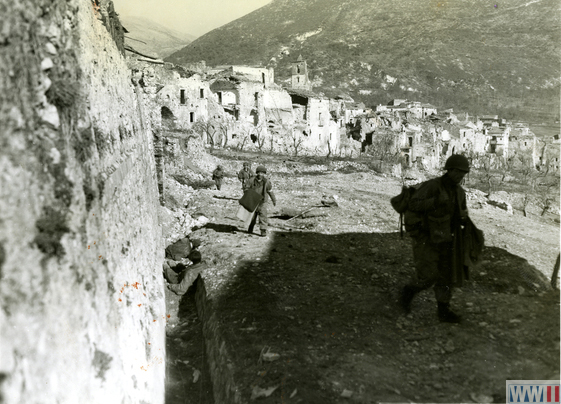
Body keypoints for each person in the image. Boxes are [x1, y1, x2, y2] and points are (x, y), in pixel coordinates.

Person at [399, 154, 472, 323]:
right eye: (458, 173)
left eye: (463, 174)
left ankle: (443, 311)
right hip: (427, 238)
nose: (461, 177)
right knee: (428, 276)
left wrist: (463, 218)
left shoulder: (460, 193)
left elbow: (461, 212)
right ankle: (408, 292)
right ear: (450, 170)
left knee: (446, 277)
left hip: (447, 240)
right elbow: (413, 204)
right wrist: (435, 202)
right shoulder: (433, 186)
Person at [246, 165, 277, 237]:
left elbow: (270, 191)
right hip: (253, 201)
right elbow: (246, 189)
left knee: (263, 216)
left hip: (263, 202)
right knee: (252, 216)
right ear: (257, 173)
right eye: (259, 173)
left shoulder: (267, 182)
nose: (260, 174)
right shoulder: (251, 180)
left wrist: (274, 200)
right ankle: (250, 228)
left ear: (264, 174)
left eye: (262, 173)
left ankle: (263, 230)